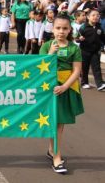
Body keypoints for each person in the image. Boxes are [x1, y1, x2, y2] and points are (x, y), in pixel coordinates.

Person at [39, 13, 84, 174]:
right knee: (55, 123)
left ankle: (52, 150)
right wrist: (51, 52)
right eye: (58, 28)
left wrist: (65, 86)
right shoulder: (47, 45)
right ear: (52, 28)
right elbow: (40, 67)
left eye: (65, 28)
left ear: (70, 29)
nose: (61, 31)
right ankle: (56, 157)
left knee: (60, 123)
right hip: (49, 89)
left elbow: (77, 70)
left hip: (66, 89)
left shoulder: (74, 48)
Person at [77, 10, 105, 91]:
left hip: (95, 51)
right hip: (84, 51)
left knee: (97, 68)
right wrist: (79, 39)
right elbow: (76, 38)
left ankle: (100, 84)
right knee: (84, 68)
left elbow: (103, 38)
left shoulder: (99, 27)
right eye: (93, 15)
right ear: (88, 17)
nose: (96, 17)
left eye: (97, 15)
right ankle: (84, 83)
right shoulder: (83, 27)